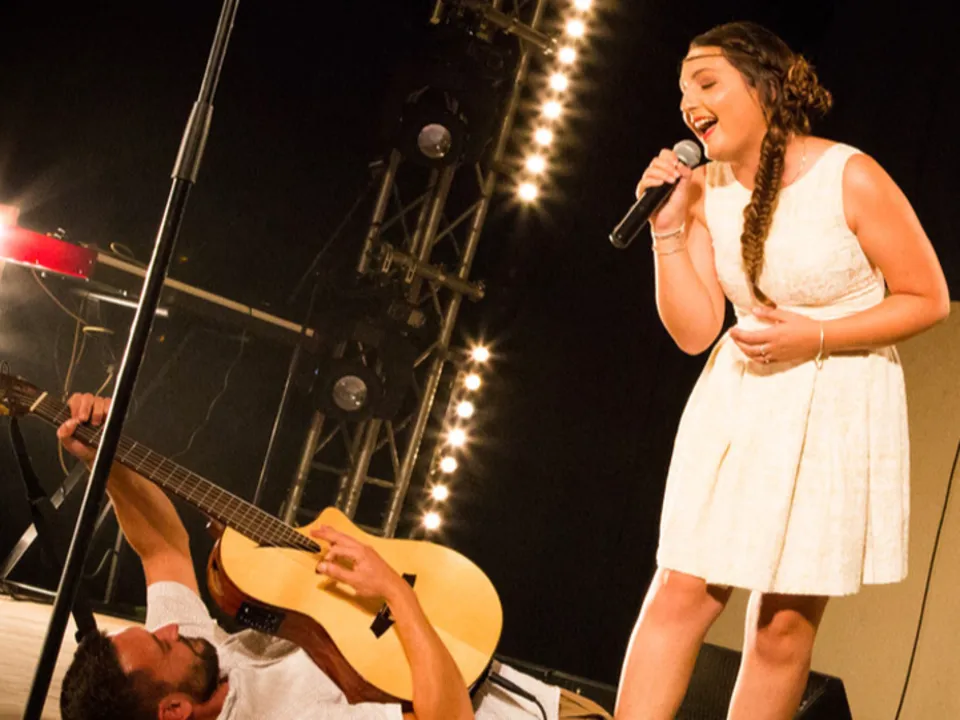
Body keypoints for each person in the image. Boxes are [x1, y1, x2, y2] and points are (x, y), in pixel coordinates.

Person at [615, 21, 949, 720]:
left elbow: (927, 297)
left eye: (707, 84)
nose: (689, 104)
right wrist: (667, 231)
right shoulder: (701, 190)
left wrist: (817, 336)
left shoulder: (849, 175)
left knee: (781, 627)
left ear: (765, 88)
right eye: (682, 92)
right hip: (740, 401)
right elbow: (695, 331)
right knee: (681, 591)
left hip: (836, 400)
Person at [56, 394, 612, 720]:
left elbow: (161, 549)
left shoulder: (198, 661)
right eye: (162, 644)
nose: (172, 628)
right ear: (174, 710)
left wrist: (105, 458)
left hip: (542, 698)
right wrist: (395, 592)